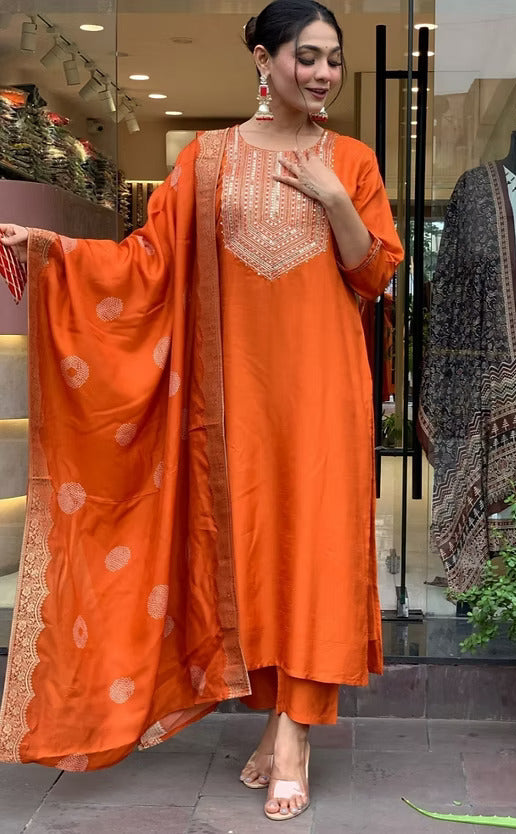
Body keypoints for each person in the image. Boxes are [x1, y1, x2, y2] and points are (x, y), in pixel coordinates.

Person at [0, 0, 403, 822]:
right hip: (232, 400)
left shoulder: (353, 160)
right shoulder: (207, 161)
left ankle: (295, 736)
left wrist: (333, 200)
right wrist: (56, 252)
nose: (323, 72)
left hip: (324, 393)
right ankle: (273, 720)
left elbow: (375, 276)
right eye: (308, 56)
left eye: (333, 59)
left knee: (316, 553)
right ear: (263, 58)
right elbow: (146, 263)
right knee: (252, 554)